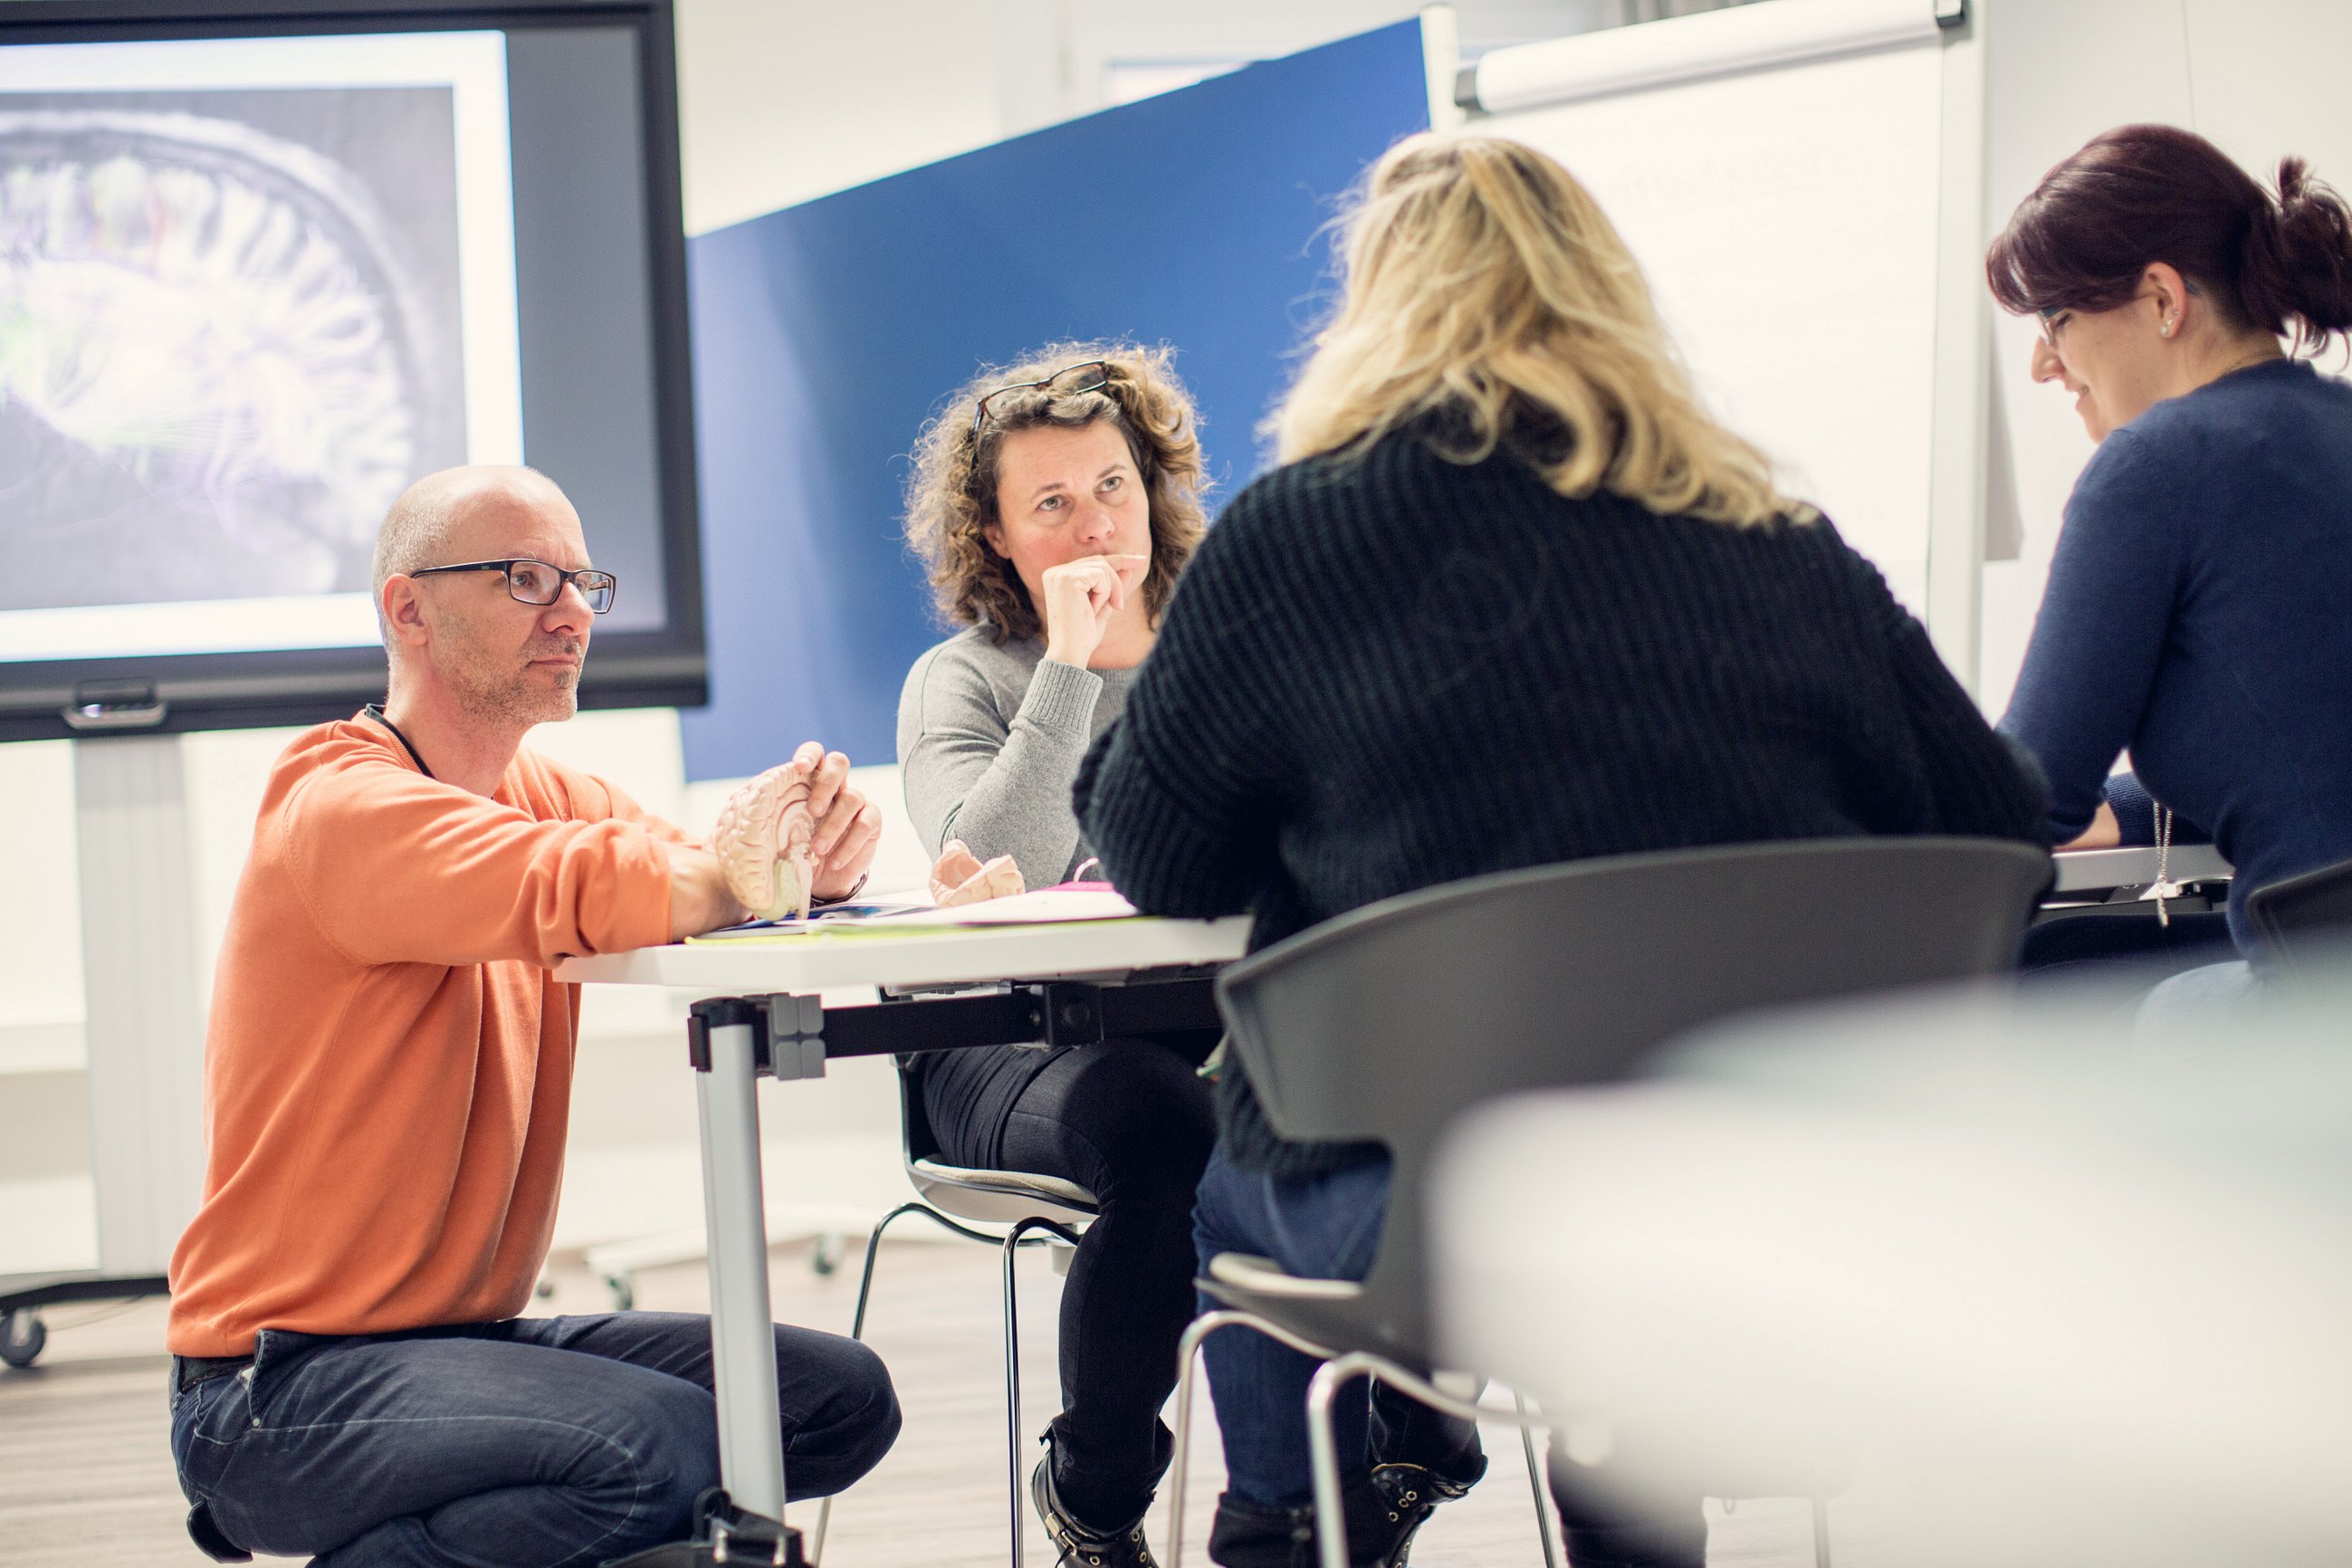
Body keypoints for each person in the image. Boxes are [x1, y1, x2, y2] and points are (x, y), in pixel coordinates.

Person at [1075, 133, 2050, 1568]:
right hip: (1755, 1191)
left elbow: (1160, 854)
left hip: (1429, 1217)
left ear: (1375, 316)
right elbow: (1995, 812)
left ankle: (1284, 1531)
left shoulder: (1294, 541)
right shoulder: (1771, 535)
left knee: (1230, 1170)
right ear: (1610, 300)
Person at [166, 465, 900, 1567]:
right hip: (276, 1389)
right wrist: (747, 865)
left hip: (458, 1345)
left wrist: (812, 863)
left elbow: (678, 874)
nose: (570, 612)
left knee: (832, 1400)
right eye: (524, 578)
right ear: (408, 609)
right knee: (660, 1450)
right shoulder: (338, 804)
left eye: (581, 582)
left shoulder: (547, 795)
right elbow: (597, 880)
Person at [894, 343, 1219, 1568]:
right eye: (1052, 503)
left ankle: (1381, 1467)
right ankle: (1095, 1496)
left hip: (1209, 1022)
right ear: (993, 533)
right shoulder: (962, 679)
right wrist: (1073, 664)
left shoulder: (1217, 655)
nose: (1095, 525)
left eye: (1113, 487)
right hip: (1001, 1042)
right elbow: (991, 864)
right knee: (1154, 1119)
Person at [1986, 124, 2352, 1004]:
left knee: (2063, 990)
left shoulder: (2157, 464)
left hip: (2323, 1003)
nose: (2044, 363)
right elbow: (2305, 740)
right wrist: (2133, 806)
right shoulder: (2335, 425)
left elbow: (2022, 802)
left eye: (2056, 319)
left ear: (2160, 298)